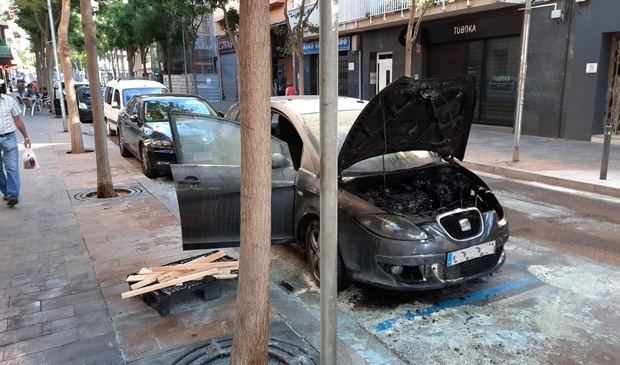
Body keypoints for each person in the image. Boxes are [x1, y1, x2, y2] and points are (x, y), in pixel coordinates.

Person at [0, 81, 31, 207]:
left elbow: (18, 120)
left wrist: (26, 137)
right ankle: (6, 191)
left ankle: (13, 195)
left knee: (11, 167)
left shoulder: (9, 100)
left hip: (9, 137)